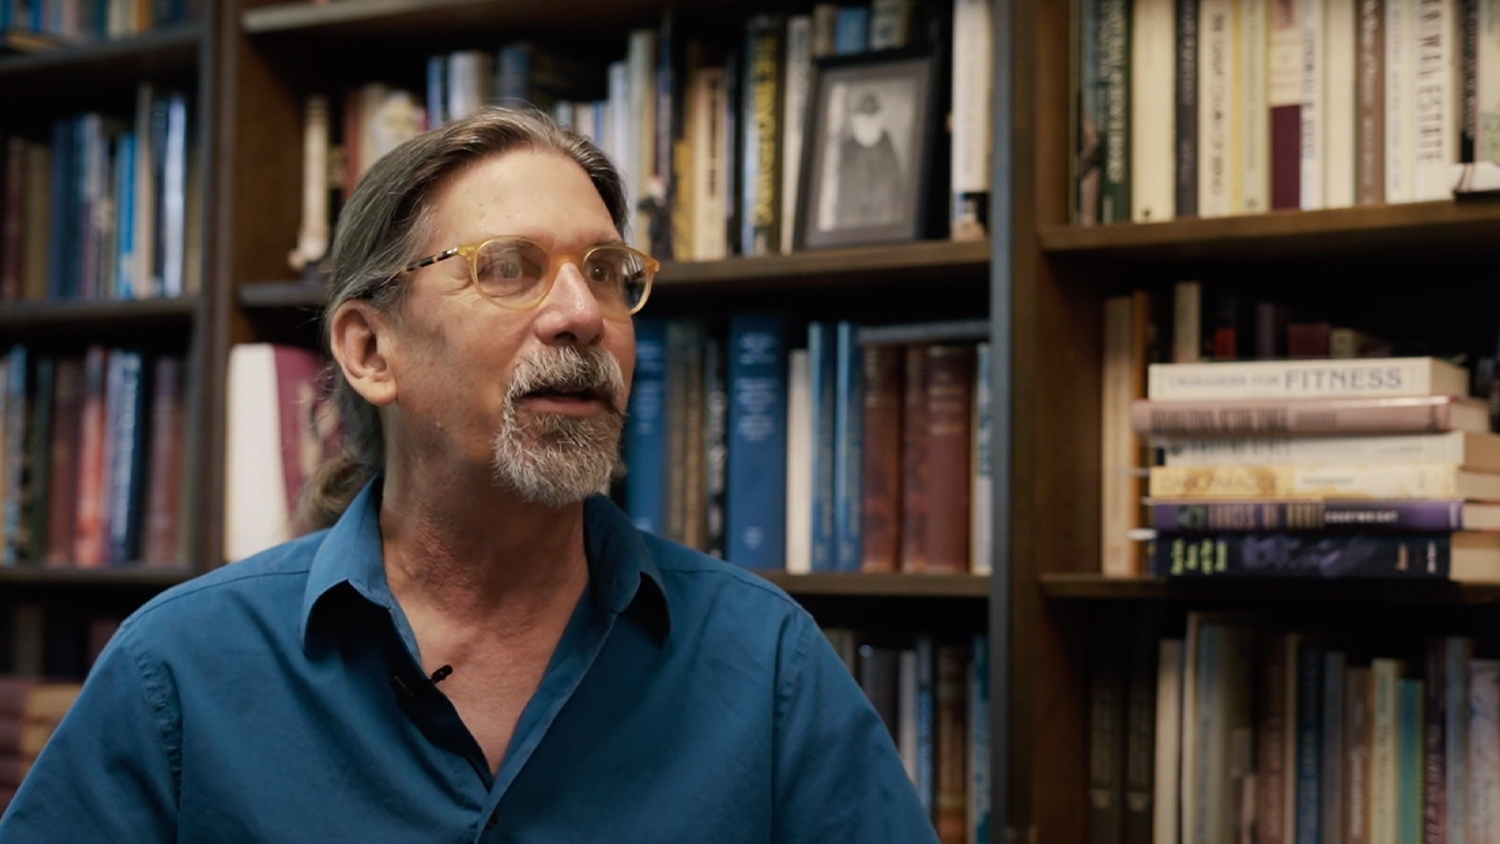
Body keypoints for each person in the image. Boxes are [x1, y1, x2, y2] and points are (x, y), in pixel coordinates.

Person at [0, 108, 940, 843]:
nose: (581, 314)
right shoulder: (180, 674)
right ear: (370, 351)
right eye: (510, 267)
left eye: (608, 271)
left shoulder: (766, 665)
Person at [834, 89, 905, 229]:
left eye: (872, 117)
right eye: (863, 117)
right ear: (854, 120)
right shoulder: (842, 154)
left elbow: (898, 203)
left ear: (880, 118)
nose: (868, 122)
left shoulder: (890, 155)